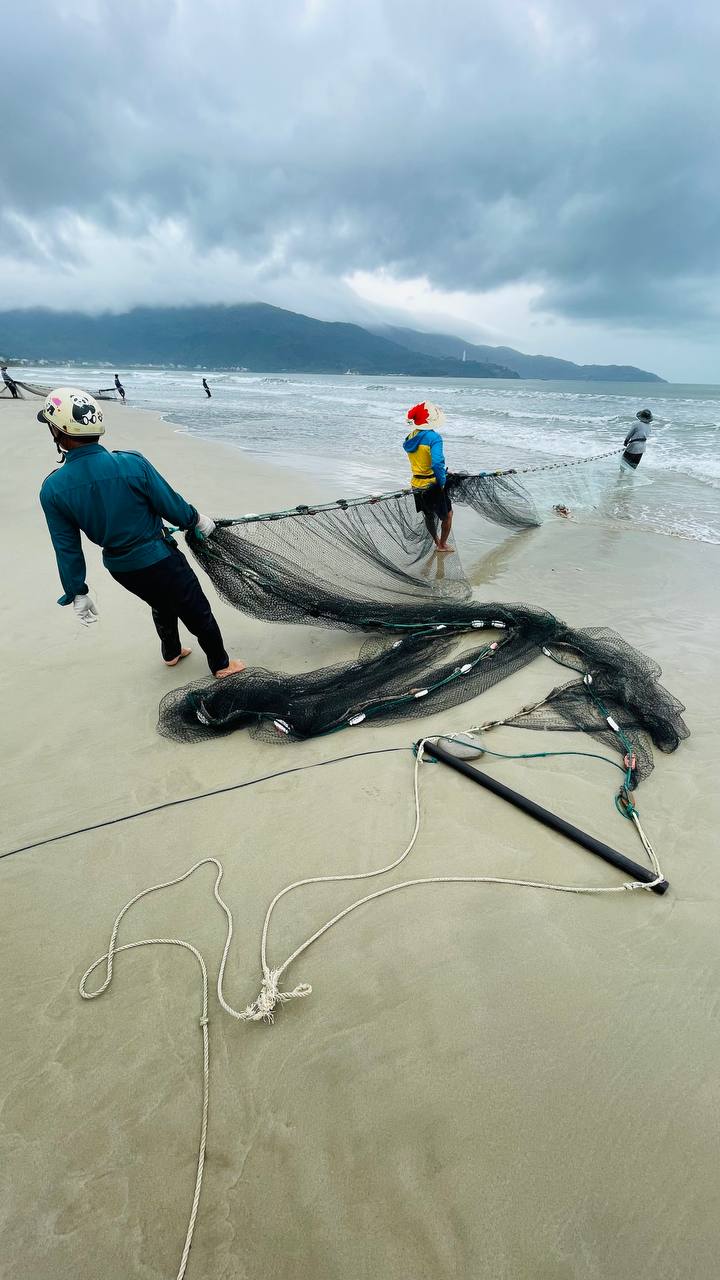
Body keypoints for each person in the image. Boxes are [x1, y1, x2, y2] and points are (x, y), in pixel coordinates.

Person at [37, 387, 244, 678]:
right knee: (194, 607)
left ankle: (171, 653)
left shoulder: (53, 489)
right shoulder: (131, 463)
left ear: (59, 432)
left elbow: (67, 547)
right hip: (160, 558)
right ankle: (222, 665)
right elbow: (170, 505)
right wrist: (196, 519)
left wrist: (77, 591)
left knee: (160, 601)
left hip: (122, 569)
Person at [403, 402, 454, 551]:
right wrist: (443, 481)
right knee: (448, 515)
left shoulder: (410, 437)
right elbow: (437, 463)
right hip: (432, 484)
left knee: (429, 515)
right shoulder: (434, 437)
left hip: (416, 484)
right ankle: (442, 545)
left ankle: (436, 541)